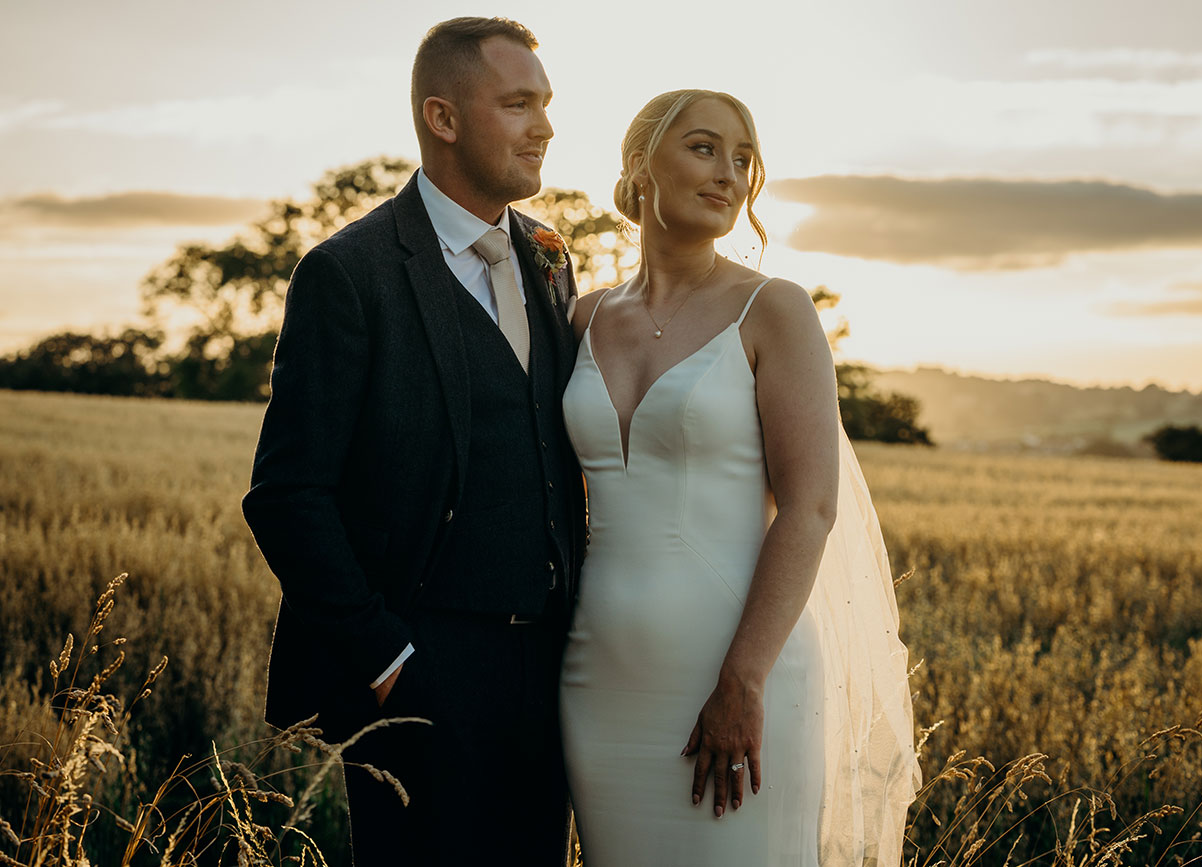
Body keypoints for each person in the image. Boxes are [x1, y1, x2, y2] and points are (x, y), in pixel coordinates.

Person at [241, 17, 584, 866]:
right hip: (423, 671)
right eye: (518, 104)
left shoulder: (549, 256)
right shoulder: (348, 272)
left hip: (554, 668)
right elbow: (287, 494)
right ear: (443, 117)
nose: (545, 126)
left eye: (545, 104)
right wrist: (387, 657)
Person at [559, 90, 921, 865]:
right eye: (704, 148)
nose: (729, 173)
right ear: (639, 164)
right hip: (599, 675)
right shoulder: (581, 319)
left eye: (744, 158)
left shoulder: (773, 310)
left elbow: (810, 507)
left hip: (740, 672)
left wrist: (744, 679)